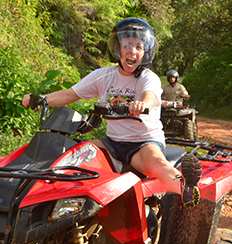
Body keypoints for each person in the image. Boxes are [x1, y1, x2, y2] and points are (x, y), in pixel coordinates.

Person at [22, 17, 200, 207]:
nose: (132, 51)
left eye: (138, 47)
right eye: (127, 46)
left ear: (145, 53)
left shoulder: (149, 78)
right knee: (75, 155)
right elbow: (70, 94)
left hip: (143, 142)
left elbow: (151, 96)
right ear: (118, 48)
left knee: (156, 163)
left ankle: (186, 187)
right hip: (112, 142)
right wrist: (41, 99)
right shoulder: (103, 75)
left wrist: (141, 104)